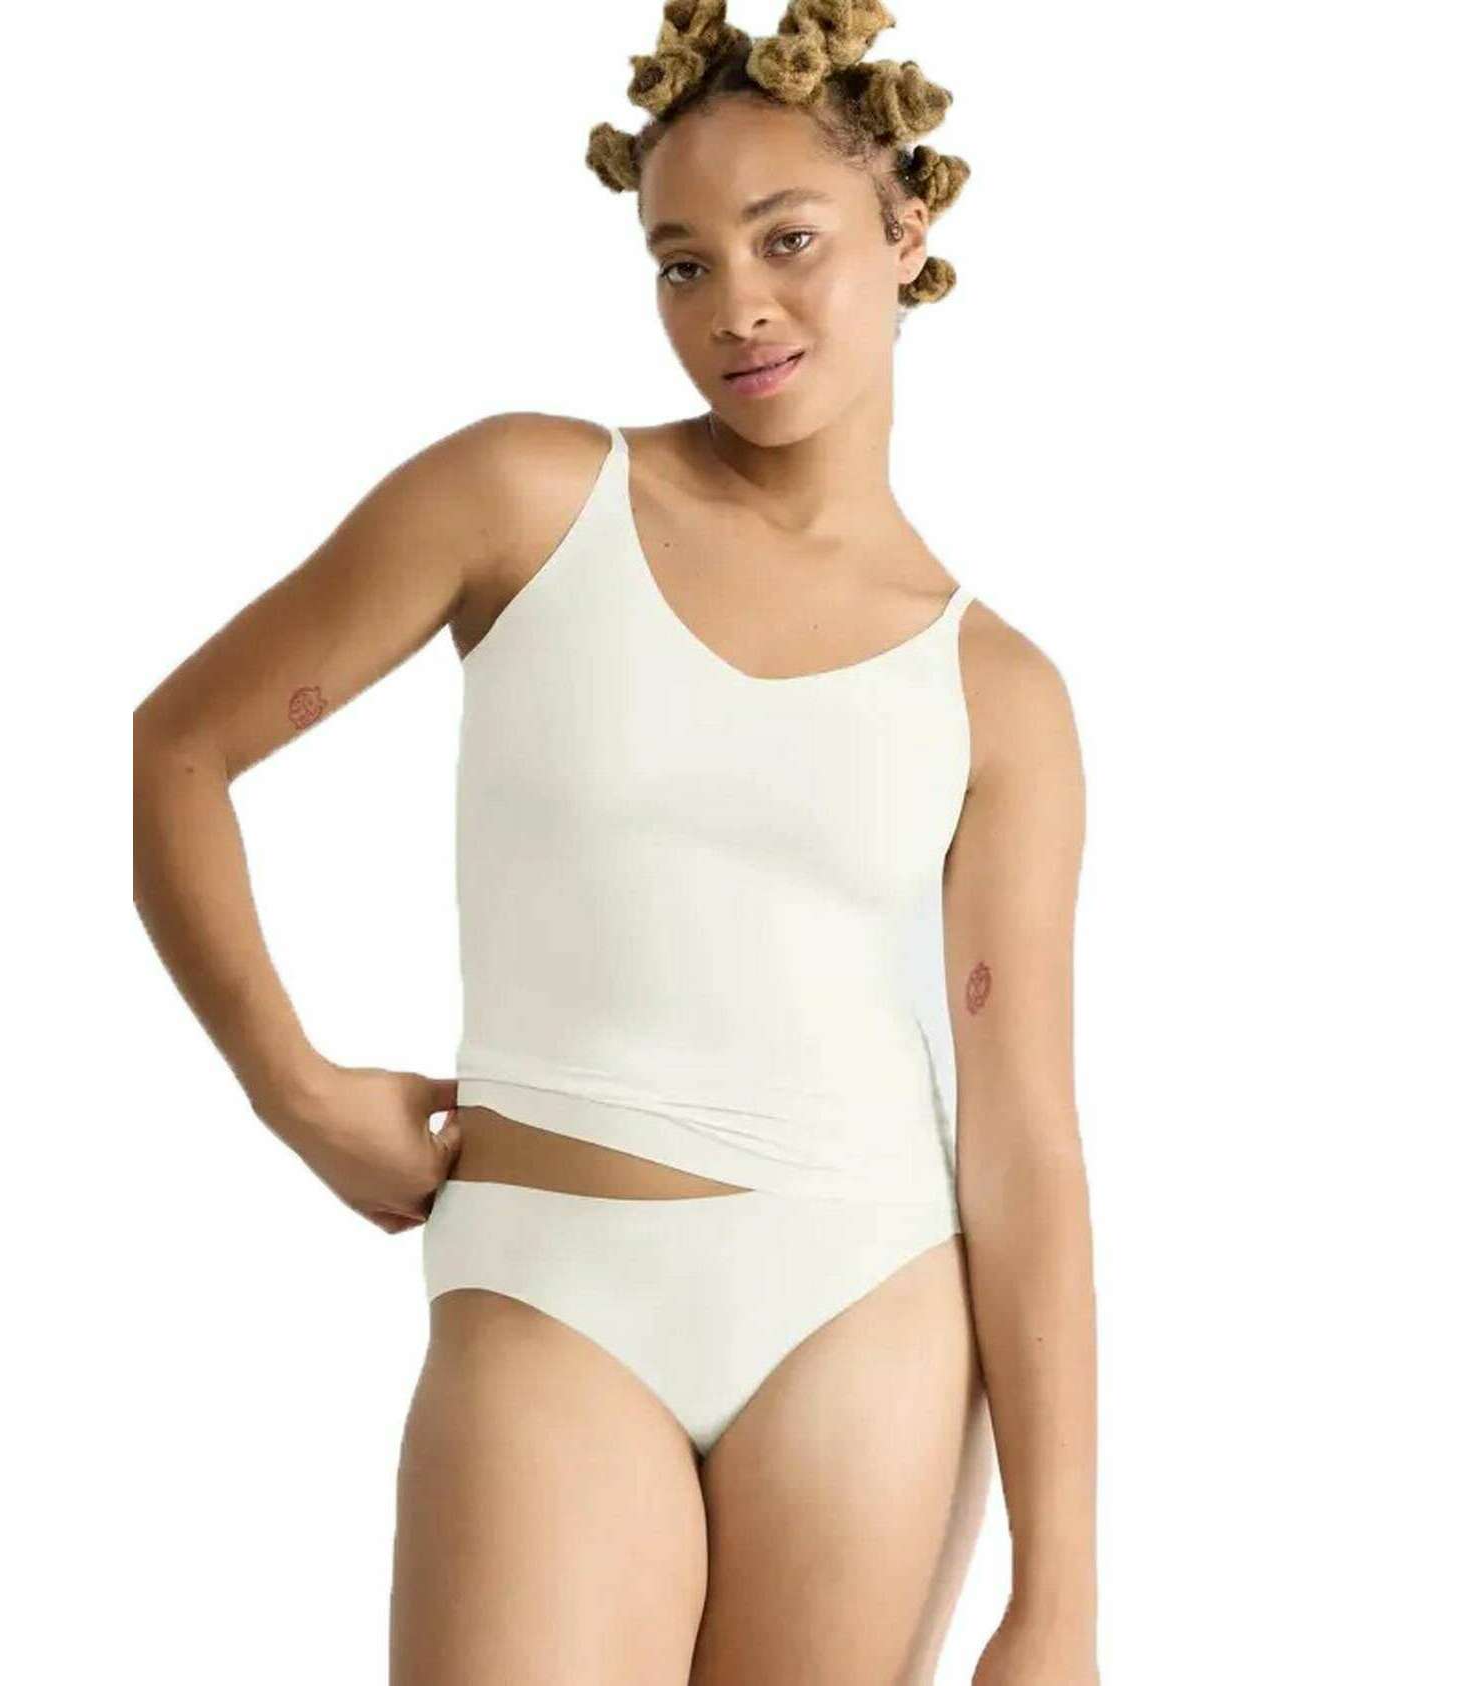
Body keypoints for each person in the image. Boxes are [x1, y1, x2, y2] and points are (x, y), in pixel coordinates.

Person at [131, 2, 1098, 1680]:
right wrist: (291, 1087)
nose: (736, 308)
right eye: (681, 263)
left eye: (787, 240)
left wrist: (1059, 1599)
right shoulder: (525, 499)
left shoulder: (997, 693)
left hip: (862, 1302)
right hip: (548, 1288)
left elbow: (1022, 1143)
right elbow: (181, 749)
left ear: (902, 228)